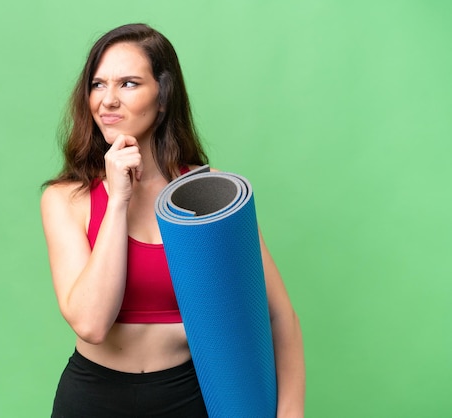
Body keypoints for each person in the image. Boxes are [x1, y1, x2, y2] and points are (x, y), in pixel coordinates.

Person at [41, 23, 305, 417]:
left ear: (162, 98)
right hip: (93, 397)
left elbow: (277, 315)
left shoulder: (208, 194)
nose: (108, 100)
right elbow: (91, 324)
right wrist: (118, 202)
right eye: (98, 84)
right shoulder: (66, 198)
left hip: (189, 397)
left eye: (128, 83)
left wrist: (290, 413)